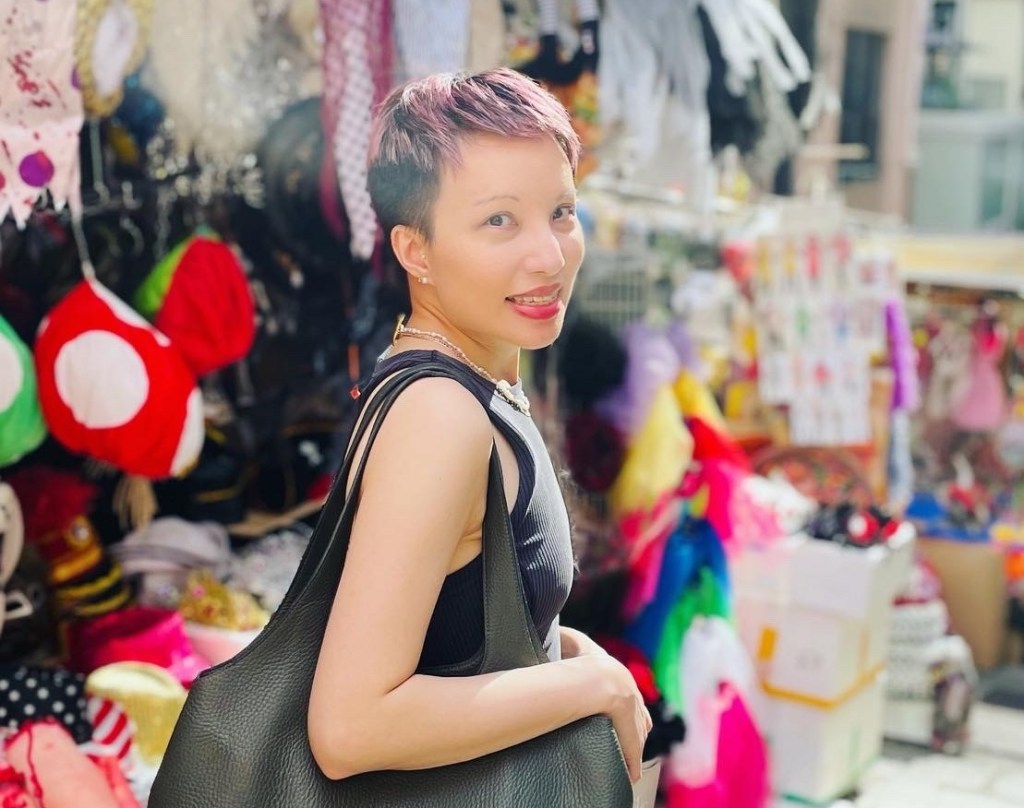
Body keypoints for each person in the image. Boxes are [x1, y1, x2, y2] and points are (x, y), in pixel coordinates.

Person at [307, 67, 652, 787]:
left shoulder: (472, 385)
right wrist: (598, 685)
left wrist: (572, 652)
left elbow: (460, 633)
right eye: (499, 221)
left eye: (561, 212)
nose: (550, 256)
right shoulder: (441, 416)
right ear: (415, 250)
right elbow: (350, 726)